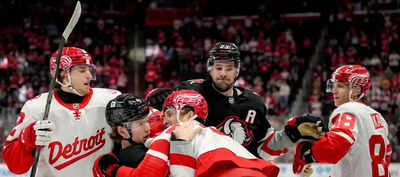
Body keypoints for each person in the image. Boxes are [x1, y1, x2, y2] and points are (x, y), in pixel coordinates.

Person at [175, 42, 323, 159]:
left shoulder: (253, 103)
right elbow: (167, 126)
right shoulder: (191, 92)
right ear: (210, 68)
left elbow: (263, 149)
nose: (223, 73)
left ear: (237, 70)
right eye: (218, 67)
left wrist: (291, 134)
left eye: (229, 68)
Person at [93, 89, 280, 177]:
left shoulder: (178, 131)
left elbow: (149, 175)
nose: (162, 121)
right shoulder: (211, 133)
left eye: (167, 114)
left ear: (187, 114)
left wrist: (115, 170)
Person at [2, 47, 121, 177]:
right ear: (64, 75)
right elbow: (15, 167)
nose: (90, 76)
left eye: (90, 70)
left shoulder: (110, 100)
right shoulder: (36, 107)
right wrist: (27, 138)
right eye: (82, 70)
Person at [292, 65, 392, 177]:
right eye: (333, 85)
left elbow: (334, 147)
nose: (334, 91)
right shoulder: (378, 117)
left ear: (356, 90)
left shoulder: (348, 109)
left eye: (340, 86)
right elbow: (386, 154)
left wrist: (309, 154)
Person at [105, 94, 151, 168]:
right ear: (122, 132)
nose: (148, 128)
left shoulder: (116, 153)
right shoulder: (136, 158)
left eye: (147, 121)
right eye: (140, 124)